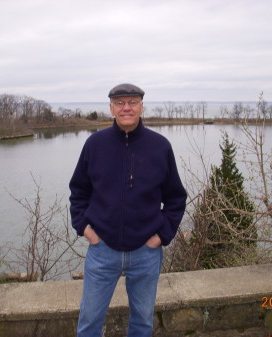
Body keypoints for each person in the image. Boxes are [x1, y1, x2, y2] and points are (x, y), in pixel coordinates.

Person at [69, 83, 187, 337]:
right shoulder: (94, 145)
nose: (126, 108)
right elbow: (78, 192)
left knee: (142, 324)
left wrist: (160, 237)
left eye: (132, 102)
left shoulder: (160, 146)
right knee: (89, 323)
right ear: (111, 108)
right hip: (102, 251)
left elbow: (176, 198)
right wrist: (86, 230)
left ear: (141, 107)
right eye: (120, 103)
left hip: (146, 252)